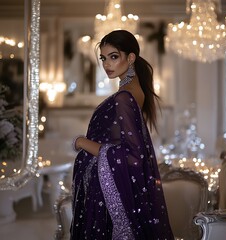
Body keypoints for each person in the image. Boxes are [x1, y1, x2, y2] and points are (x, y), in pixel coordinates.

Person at [70, 30, 174, 240]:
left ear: (131, 57)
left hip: (107, 193)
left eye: (114, 57)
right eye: (103, 58)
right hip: (104, 186)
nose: (107, 64)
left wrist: (81, 142)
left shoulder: (124, 98)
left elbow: (132, 156)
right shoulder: (132, 92)